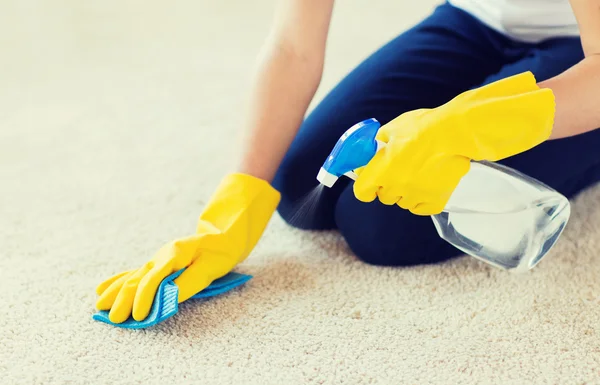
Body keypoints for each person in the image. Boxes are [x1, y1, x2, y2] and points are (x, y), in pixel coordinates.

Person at [95, 0, 600, 323]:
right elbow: (293, 47)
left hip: (586, 49)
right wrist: (233, 204)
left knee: (383, 224)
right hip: (475, 17)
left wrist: (466, 124)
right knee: (301, 187)